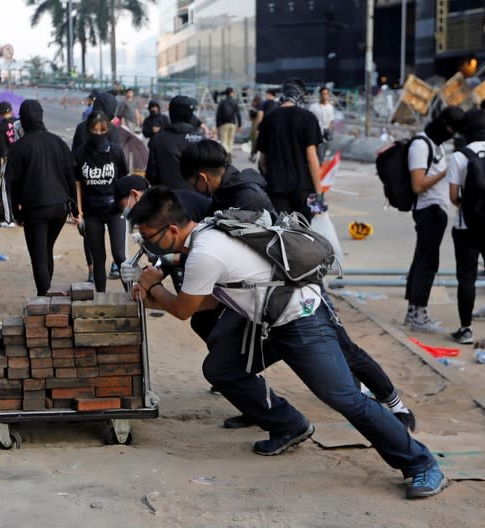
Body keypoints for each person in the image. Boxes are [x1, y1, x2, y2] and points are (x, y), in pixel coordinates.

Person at [127, 187, 447, 499]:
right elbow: (207, 301)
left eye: (150, 238)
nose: (148, 245)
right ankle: (289, 424)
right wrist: (156, 297)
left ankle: (421, 462)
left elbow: (184, 310)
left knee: (344, 397)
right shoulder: (208, 229)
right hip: (269, 319)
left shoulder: (204, 252)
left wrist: (153, 287)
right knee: (222, 368)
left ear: (171, 229)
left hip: (301, 318)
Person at [177, 139, 417, 431]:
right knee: (214, 333)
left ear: (201, 177)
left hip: (297, 285)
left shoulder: (245, 198)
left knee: (344, 348)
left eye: (192, 183)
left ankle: (396, 405)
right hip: (262, 293)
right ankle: (256, 402)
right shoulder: (226, 191)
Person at [7, 99, 78, 295]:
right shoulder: (58, 142)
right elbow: (70, 177)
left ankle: (44, 298)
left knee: (38, 256)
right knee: (47, 249)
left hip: (34, 209)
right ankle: (48, 294)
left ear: (23, 119)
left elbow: (11, 185)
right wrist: (75, 208)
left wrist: (15, 213)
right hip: (59, 208)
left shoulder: (19, 147)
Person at [403, 106, 464, 333]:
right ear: (442, 123)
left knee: (422, 259)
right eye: (450, 127)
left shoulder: (436, 144)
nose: (451, 132)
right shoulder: (421, 145)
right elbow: (417, 185)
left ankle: (413, 312)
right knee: (428, 263)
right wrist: (445, 172)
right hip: (427, 210)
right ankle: (419, 313)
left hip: (437, 210)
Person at [73, 111, 128, 292]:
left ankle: (130, 292)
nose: (98, 134)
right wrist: (79, 213)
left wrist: (126, 207)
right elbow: (78, 184)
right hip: (91, 212)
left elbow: (123, 179)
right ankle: (101, 295)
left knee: (119, 255)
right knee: (98, 258)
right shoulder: (80, 154)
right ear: (88, 130)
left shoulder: (116, 151)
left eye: (102, 130)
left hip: (115, 210)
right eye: (94, 130)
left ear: (108, 130)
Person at [256, 78, 323, 219]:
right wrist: (319, 195)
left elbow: (262, 161)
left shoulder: (269, 119)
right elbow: (311, 158)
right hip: (304, 189)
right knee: (306, 233)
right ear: (301, 96)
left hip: (276, 188)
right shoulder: (308, 118)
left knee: (281, 233)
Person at [446, 108, 485, 344]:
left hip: (466, 227)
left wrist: (469, 207)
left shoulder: (460, 156)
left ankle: (466, 329)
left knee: (466, 278)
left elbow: (453, 196)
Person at [145, 95, 204, 189]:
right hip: (196, 197)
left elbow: (151, 176)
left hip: (166, 198)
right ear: (190, 115)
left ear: (170, 113)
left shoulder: (158, 139)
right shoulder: (201, 139)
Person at [0, 101, 19, 227]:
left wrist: (1, 164)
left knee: (5, 188)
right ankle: (19, 216)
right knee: (19, 188)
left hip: (9, 160)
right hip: (22, 158)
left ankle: (8, 219)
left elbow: (2, 149)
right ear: (11, 110)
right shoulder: (18, 123)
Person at [214, 88, 242, 160]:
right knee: (231, 140)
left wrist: (217, 125)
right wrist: (239, 125)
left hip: (223, 124)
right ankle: (230, 154)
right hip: (232, 123)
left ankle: (226, 154)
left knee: (224, 140)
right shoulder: (235, 102)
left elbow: (218, 114)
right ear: (231, 93)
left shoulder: (222, 102)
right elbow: (238, 114)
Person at [309, 87, 335, 162]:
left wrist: (330, 132)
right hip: (316, 135)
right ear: (320, 95)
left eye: (326, 94)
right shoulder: (313, 107)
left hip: (326, 135)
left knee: (325, 155)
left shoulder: (330, 107)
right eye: (323, 94)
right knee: (318, 155)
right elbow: (310, 120)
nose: (324, 96)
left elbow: (331, 121)